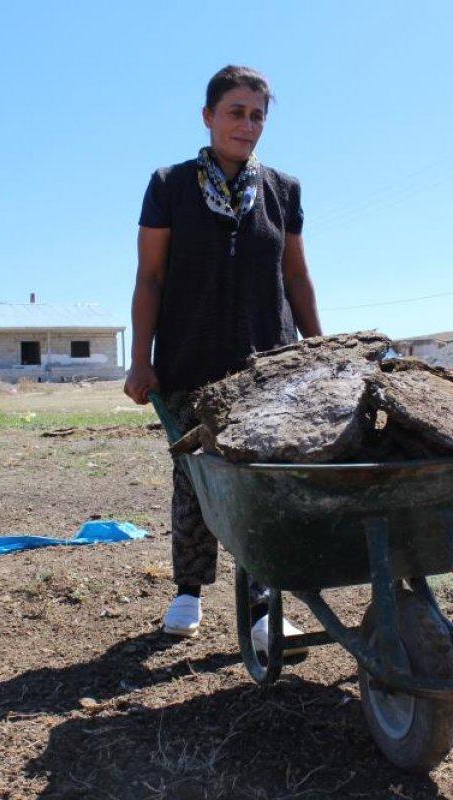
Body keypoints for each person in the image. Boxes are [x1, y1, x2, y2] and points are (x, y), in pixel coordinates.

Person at [123, 66, 323, 655]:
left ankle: (264, 609)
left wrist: (320, 351)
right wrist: (140, 359)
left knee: (262, 483)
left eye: (258, 115)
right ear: (208, 116)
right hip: (190, 358)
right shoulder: (170, 185)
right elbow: (150, 275)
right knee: (196, 479)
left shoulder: (283, 190)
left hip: (268, 366)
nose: (247, 124)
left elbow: (296, 276)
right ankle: (188, 590)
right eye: (236, 112)